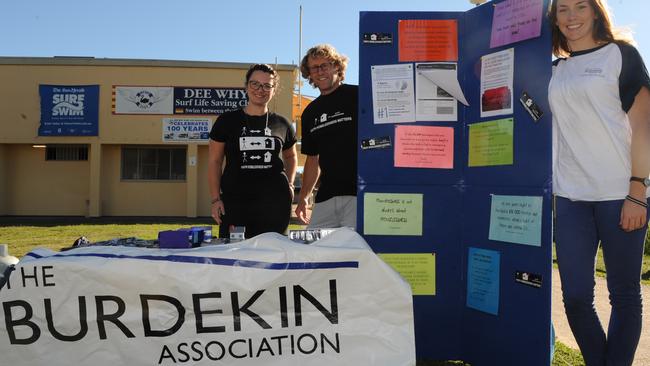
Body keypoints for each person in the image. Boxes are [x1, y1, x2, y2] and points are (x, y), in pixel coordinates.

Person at [548, 0, 650, 364]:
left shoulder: (620, 55)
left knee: (623, 294)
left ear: (595, 12)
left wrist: (637, 189)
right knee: (574, 296)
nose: (571, 16)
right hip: (571, 196)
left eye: (580, 7)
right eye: (563, 9)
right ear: (554, 17)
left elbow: (643, 126)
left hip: (619, 193)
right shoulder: (556, 69)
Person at [208, 64, 297, 239]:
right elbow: (215, 161)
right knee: (234, 258)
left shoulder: (283, 123)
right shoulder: (226, 121)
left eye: (267, 85)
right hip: (236, 204)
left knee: (274, 257)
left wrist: (291, 184)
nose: (260, 90)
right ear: (246, 86)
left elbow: (291, 155)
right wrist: (215, 199)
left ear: (274, 89)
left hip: (275, 203)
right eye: (255, 84)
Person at [295, 44, 358, 229]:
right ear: (310, 74)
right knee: (314, 250)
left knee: (352, 251)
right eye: (314, 68)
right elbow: (312, 160)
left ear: (337, 66)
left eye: (325, 65)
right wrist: (304, 197)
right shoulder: (309, 113)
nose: (320, 71)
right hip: (325, 197)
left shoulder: (359, 95)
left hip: (358, 195)